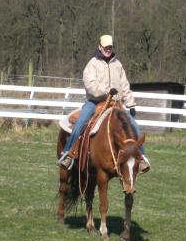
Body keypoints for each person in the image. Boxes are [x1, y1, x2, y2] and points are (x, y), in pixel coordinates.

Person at [58, 34, 150, 173]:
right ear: (99, 47)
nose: (108, 49)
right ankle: (68, 154)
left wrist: (130, 104)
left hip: (115, 104)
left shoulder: (117, 65)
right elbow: (91, 85)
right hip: (95, 102)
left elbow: (124, 85)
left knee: (134, 126)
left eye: (110, 47)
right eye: (106, 47)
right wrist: (107, 91)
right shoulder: (92, 64)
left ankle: (141, 157)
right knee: (81, 121)